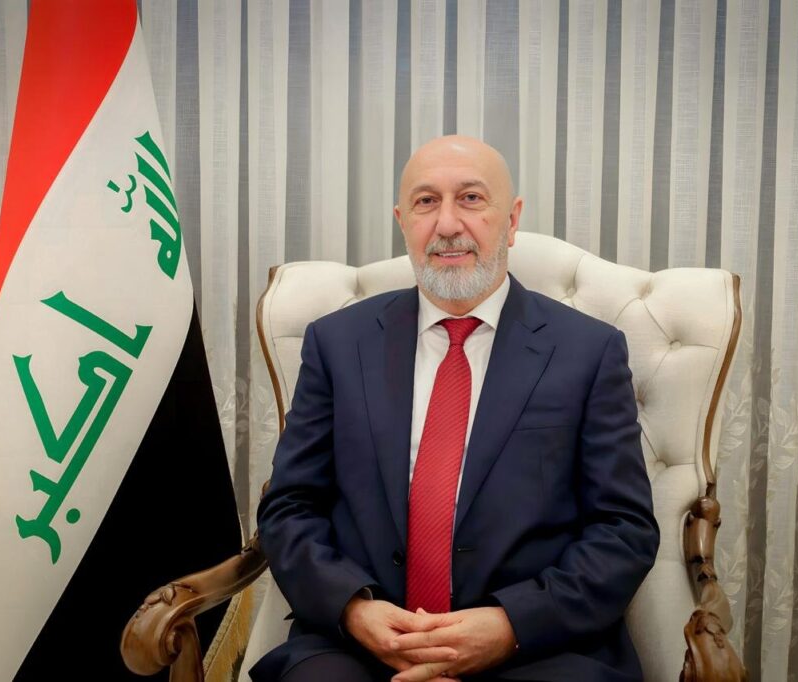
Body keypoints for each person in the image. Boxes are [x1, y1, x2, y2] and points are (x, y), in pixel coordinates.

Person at [251, 135, 659, 682]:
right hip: (362, 645)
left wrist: (510, 625)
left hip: (536, 646)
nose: (447, 224)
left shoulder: (589, 351)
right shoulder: (337, 343)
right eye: (426, 202)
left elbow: (623, 529)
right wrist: (355, 611)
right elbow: (290, 507)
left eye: (470, 198)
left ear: (511, 220)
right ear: (403, 222)